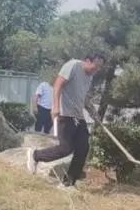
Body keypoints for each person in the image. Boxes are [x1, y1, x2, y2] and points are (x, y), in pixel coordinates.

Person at [26, 55, 105, 186]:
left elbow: (83, 97)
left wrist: (93, 112)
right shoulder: (73, 65)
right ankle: (36, 155)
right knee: (65, 148)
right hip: (65, 114)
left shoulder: (89, 77)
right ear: (87, 61)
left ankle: (68, 183)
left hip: (78, 116)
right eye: (95, 66)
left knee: (83, 148)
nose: (96, 70)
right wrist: (56, 107)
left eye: (99, 68)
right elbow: (58, 84)